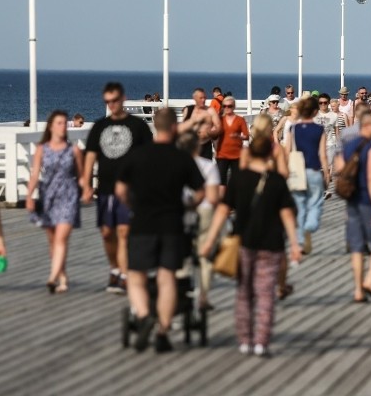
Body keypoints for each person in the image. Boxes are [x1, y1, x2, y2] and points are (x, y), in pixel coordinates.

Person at [200, 135, 300, 357]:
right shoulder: (276, 180)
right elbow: (286, 214)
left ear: (251, 153)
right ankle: (261, 342)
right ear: (269, 154)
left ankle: (245, 340)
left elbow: (223, 211)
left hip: (243, 243)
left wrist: (209, 241)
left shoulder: (239, 178)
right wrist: (294, 244)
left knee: (244, 292)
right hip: (271, 244)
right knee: (265, 294)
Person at [115, 108, 205, 353]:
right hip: (171, 224)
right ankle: (163, 332)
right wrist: (189, 204)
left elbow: (121, 190)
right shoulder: (181, 158)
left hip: (143, 223)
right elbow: (200, 192)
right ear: (175, 128)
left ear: (155, 126)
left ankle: (144, 317)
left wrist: (133, 205)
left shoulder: (137, 155)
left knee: (136, 277)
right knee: (167, 279)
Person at [82, 82, 154, 294]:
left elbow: (147, 157)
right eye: (107, 102)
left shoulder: (138, 127)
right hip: (105, 187)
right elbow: (90, 156)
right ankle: (114, 268)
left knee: (124, 231)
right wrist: (86, 184)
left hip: (130, 189)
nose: (111, 105)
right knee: (107, 233)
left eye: (114, 100)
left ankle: (123, 274)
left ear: (123, 98)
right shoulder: (99, 127)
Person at [335, 110, 371, 303]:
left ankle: (358, 290)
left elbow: (339, 167)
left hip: (352, 199)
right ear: (366, 126)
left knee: (357, 247)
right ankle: (369, 280)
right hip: (368, 198)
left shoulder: (349, 145)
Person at [26, 110, 83, 293]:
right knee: (53, 241)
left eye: (65, 123)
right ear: (50, 126)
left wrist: (87, 190)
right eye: (59, 123)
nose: (62, 126)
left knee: (61, 238)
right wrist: (29, 196)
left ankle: (52, 277)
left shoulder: (73, 150)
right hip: (48, 196)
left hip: (68, 196)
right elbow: (35, 175)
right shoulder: (42, 149)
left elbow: (81, 177)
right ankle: (62, 276)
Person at [176, 131, 220, 310]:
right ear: (197, 146)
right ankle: (203, 296)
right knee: (205, 255)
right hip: (204, 211)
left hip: (180, 212)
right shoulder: (208, 166)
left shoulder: (175, 166)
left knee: (179, 251)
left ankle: (180, 289)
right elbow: (212, 196)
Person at [286, 97, 330, 254]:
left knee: (300, 205)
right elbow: (323, 155)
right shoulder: (319, 130)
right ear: (315, 112)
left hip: (297, 171)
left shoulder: (293, 129)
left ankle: (300, 240)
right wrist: (327, 173)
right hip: (313, 170)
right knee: (316, 202)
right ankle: (309, 226)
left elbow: (288, 151)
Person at [216, 96, 249, 195]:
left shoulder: (240, 120)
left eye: (229, 106)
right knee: (221, 180)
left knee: (236, 179)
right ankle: (222, 202)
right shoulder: (220, 120)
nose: (227, 108)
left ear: (234, 107)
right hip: (222, 154)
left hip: (236, 154)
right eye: (224, 106)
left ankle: (233, 201)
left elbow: (246, 135)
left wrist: (238, 136)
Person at [178, 88, 222, 160]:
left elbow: (219, 127)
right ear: (194, 98)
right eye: (201, 98)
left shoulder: (210, 111)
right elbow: (182, 128)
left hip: (205, 146)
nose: (203, 100)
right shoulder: (188, 110)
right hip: (191, 146)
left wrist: (209, 132)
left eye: (205, 98)